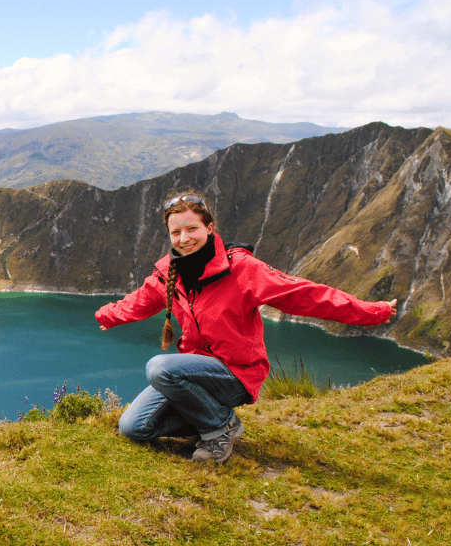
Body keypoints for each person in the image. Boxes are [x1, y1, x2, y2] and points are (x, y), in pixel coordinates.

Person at [95, 192, 397, 463]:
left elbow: (306, 295)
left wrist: (373, 312)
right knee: (133, 427)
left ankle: (218, 429)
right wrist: (107, 316)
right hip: (196, 373)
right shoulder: (167, 274)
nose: (184, 238)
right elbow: (139, 302)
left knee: (160, 368)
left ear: (210, 228)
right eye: (176, 232)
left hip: (235, 373)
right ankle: (215, 418)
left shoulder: (241, 269)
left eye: (192, 229)